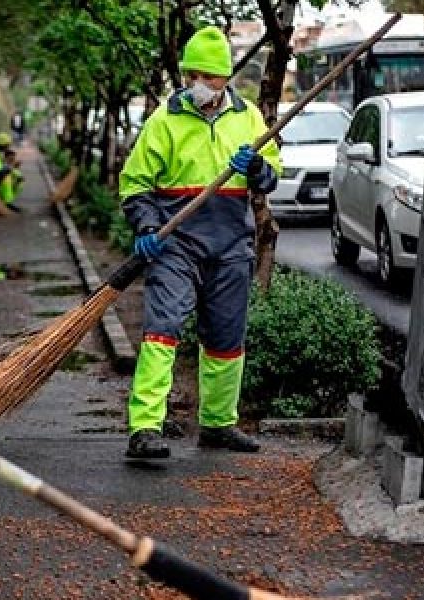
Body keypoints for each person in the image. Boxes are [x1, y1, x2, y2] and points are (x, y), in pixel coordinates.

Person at [119, 26, 281, 459]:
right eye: (194, 75)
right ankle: (145, 427)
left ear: (225, 78)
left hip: (231, 244)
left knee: (226, 336)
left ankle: (218, 423)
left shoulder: (247, 118)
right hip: (177, 243)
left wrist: (255, 169)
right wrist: (148, 226)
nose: (201, 84)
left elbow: (272, 174)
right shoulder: (164, 121)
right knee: (163, 329)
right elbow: (134, 184)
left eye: (211, 77)